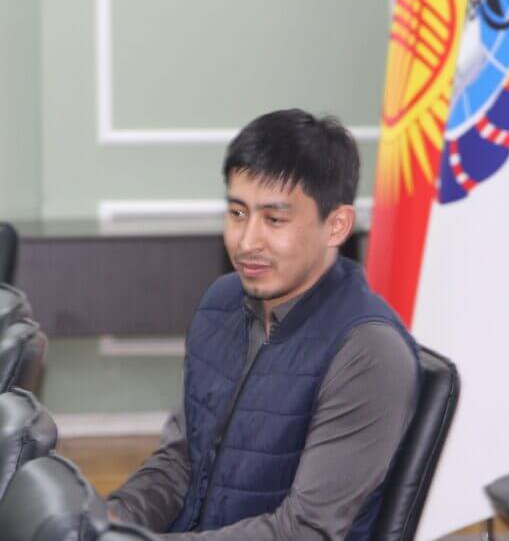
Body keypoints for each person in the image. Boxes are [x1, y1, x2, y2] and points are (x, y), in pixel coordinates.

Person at [107, 109, 420, 540]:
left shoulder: (367, 352)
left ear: (336, 226)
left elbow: (304, 531)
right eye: (237, 213)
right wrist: (110, 521)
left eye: (274, 219)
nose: (247, 241)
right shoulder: (220, 304)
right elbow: (181, 461)